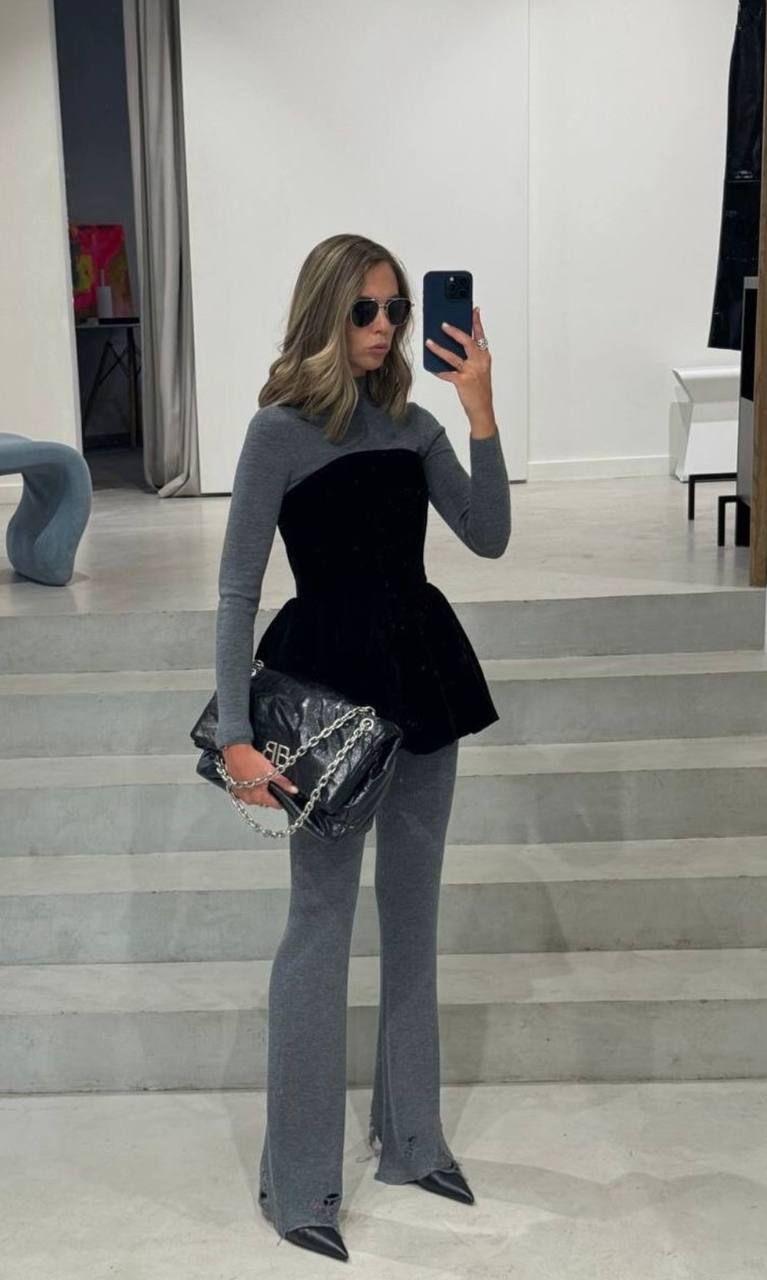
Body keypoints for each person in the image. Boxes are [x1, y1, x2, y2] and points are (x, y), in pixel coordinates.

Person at [214, 233, 511, 1263]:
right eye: (365, 311)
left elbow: (487, 535)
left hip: (422, 681)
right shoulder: (277, 433)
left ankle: (411, 1139)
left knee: (413, 919)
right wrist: (237, 732)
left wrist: (478, 411)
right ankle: (298, 1179)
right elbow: (237, 588)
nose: (385, 327)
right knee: (318, 928)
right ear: (325, 314)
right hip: (329, 697)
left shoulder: (416, 425)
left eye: (395, 310)